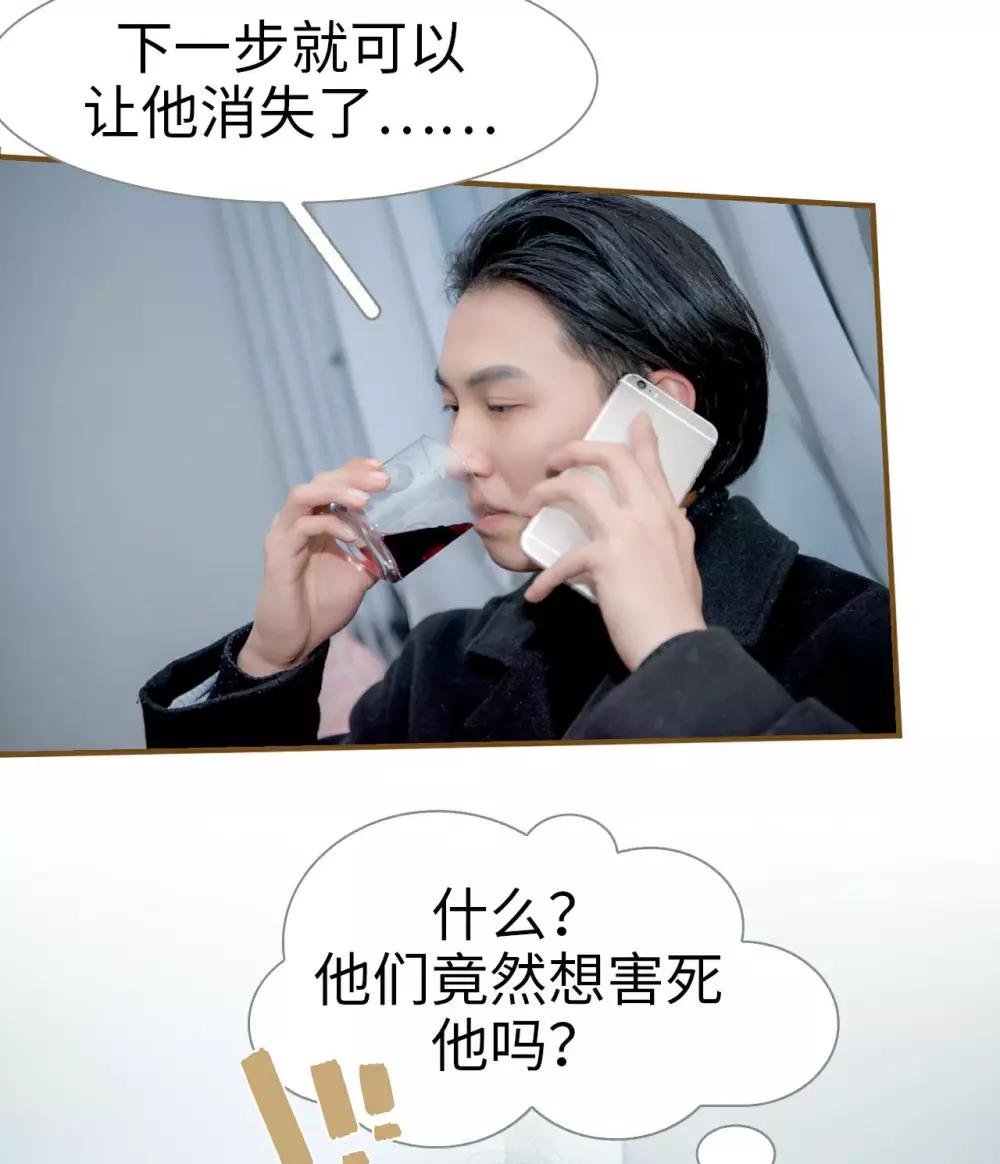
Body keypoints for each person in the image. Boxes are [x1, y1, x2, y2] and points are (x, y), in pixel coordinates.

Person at [140, 190, 895, 748]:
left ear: (650, 414)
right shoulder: (437, 668)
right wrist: (272, 659)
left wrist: (677, 655)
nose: (461, 455)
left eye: (500, 404)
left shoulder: (865, 641)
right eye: (452, 408)